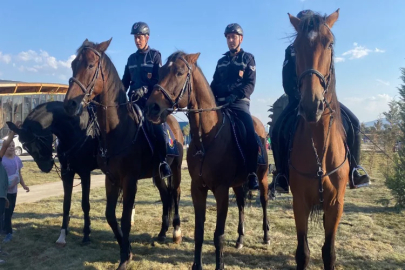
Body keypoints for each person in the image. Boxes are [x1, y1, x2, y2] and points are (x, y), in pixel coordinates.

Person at [269, 10, 370, 194]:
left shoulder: (324, 43)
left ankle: (355, 170)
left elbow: (330, 74)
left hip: (324, 97)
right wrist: (298, 94)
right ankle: (282, 175)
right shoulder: (291, 49)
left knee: (354, 123)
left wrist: (324, 94)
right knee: (277, 130)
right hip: (297, 98)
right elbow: (286, 78)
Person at [210, 23, 259, 190]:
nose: (231, 40)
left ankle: (252, 173)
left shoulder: (248, 59)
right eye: (228, 37)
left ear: (241, 39)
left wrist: (235, 96)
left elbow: (250, 84)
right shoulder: (221, 61)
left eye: (234, 37)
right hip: (221, 104)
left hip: (239, 104)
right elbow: (214, 83)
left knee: (250, 134)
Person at [121, 21, 171, 179]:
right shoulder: (130, 59)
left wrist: (144, 90)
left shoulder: (155, 56)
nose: (137, 40)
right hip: (132, 103)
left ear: (147, 38)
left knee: (157, 128)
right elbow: (125, 82)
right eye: (135, 37)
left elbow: (158, 79)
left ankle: (162, 162)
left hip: (150, 104)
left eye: (140, 37)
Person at [2, 132, 29, 243]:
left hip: (14, 191)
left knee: (11, 210)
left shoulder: (17, 160)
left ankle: (5, 228)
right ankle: (9, 232)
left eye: (13, 146)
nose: (11, 147)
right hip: (4, 192)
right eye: (9, 146)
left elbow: (19, 174)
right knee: (6, 212)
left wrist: (24, 185)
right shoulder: (2, 160)